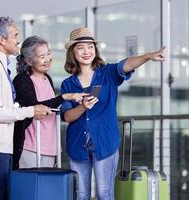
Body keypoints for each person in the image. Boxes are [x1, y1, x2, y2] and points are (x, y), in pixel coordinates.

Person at [60, 27, 165, 200]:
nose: (86, 51)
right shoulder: (68, 84)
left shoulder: (107, 74)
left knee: (104, 193)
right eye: (80, 47)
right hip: (77, 144)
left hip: (105, 143)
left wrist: (147, 56)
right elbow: (67, 117)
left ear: (95, 50)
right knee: (81, 195)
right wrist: (83, 107)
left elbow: (127, 64)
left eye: (90, 46)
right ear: (73, 52)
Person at [0, 17, 51, 200]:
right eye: (15, 35)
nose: (18, 40)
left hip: (1, 144)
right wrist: (30, 111)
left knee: (0, 195)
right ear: (2, 40)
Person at [12, 35, 86, 169]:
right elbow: (35, 107)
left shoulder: (47, 78)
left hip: (50, 146)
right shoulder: (22, 80)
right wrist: (63, 97)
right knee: (30, 187)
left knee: (47, 188)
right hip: (32, 146)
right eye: (42, 56)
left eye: (49, 54)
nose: (47, 59)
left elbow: (50, 105)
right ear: (29, 61)